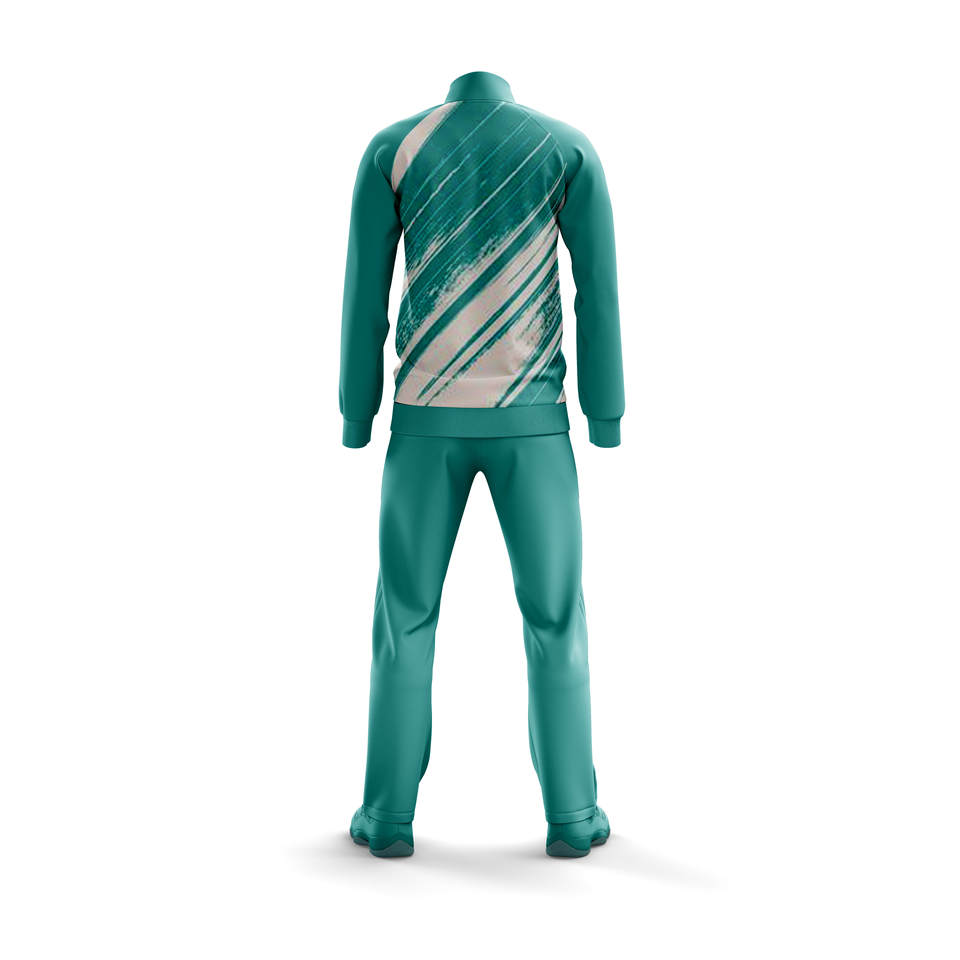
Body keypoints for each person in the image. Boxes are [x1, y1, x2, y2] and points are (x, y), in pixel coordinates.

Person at [339, 72, 624, 858]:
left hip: (423, 424)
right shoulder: (564, 148)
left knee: (404, 618)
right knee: (555, 617)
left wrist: (357, 411)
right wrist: (604, 413)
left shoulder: (393, 150)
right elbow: (597, 293)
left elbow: (364, 295)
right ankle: (573, 818)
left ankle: (386, 818)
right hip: (533, 426)